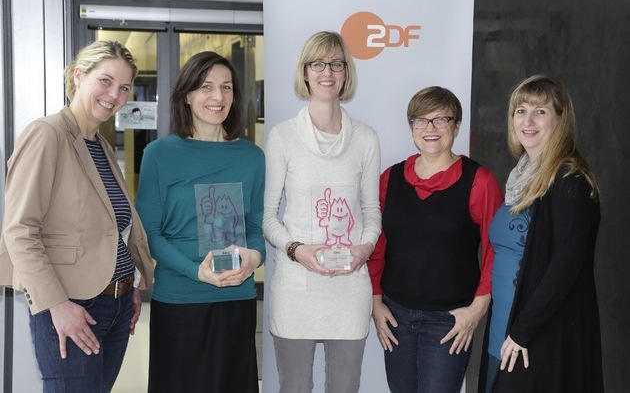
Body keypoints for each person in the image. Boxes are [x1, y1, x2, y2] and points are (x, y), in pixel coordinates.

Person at [0, 40, 154, 392]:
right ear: (78, 76)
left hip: (115, 305)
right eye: (105, 81)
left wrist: (128, 283)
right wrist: (56, 305)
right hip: (72, 305)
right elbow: (20, 230)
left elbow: (109, 227)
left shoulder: (99, 144)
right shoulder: (47, 134)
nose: (114, 95)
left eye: (124, 87)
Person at [136, 51, 265, 393]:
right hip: (180, 300)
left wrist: (255, 257)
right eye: (206, 86)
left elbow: (256, 226)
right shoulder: (159, 155)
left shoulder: (252, 157)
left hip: (236, 298)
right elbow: (150, 234)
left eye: (226, 87)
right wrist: (197, 272)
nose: (217, 96)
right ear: (187, 95)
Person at [263, 31, 381, 393]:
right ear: (305, 72)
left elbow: (371, 210)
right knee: (295, 387)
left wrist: (364, 249)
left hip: (349, 288)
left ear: (346, 73)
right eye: (318, 64)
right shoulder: (283, 137)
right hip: (295, 288)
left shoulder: (366, 139)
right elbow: (268, 216)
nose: (327, 72)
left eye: (336, 64)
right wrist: (296, 250)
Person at [367, 86, 503, 393]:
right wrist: (375, 301)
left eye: (441, 119)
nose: (430, 128)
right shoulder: (390, 178)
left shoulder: (479, 182)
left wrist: (477, 311)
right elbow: (377, 246)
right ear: (411, 127)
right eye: (421, 120)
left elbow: (495, 251)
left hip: (449, 321)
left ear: (457, 125)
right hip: (396, 316)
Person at [479, 74, 604, 392]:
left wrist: (524, 331)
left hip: (538, 337)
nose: (528, 121)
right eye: (520, 111)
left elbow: (565, 266)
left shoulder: (569, 180)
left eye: (541, 111)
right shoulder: (520, 177)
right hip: (503, 330)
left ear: (560, 119)